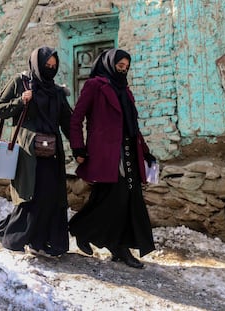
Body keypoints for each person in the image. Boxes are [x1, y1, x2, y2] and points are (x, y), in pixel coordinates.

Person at [69, 48, 156, 268]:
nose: (123, 70)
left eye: (126, 67)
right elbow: (76, 119)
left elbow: (132, 127)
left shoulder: (125, 91)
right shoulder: (95, 86)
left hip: (128, 151)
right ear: (110, 64)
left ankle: (110, 243)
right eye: (120, 66)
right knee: (116, 198)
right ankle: (95, 235)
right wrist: (78, 148)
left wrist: (145, 151)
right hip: (107, 154)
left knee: (125, 199)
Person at [0, 46, 72, 257]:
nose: (50, 69)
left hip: (52, 152)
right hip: (28, 153)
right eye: (46, 65)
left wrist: (79, 146)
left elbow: (67, 121)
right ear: (37, 64)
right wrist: (21, 100)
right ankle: (16, 236)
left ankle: (40, 241)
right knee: (32, 195)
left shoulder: (56, 91)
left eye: (54, 66)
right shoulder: (21, 82)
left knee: (50, 195)